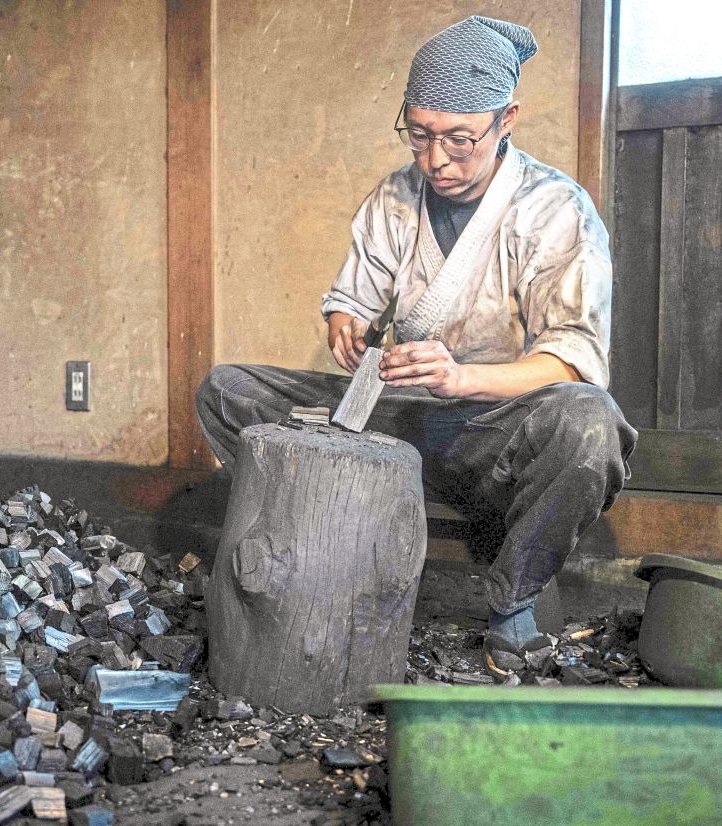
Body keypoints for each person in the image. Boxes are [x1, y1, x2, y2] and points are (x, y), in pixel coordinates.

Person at [195, 16, 637, 680]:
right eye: (421, 134)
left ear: (506, 118)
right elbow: (355, 297)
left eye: (460, 139)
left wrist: (460, 380)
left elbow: (571, 360)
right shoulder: (396, 199)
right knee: (228, 390)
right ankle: (320, 540)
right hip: (401, 419)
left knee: (591, 425)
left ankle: (511, 604)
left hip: (497, 435)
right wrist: (344, 322)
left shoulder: (554, 211)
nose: (435, 159)